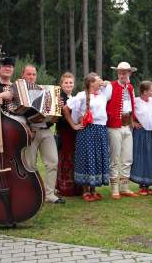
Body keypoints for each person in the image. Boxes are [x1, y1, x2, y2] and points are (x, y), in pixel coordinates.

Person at [63, 72, 110, 202]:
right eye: (97, 80)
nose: (100, 81)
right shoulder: (82, 96)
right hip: (87, 130)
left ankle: (94, 190)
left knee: (97, 158)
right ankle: (85, 190)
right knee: (87, 158)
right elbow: (66, 108)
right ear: (90, 83)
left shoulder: (103, 95)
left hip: (100, 129)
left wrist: (104, 82)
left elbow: (109, 85)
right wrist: (73, 125)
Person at [21, 65, 64, 204]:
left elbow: (53, 115)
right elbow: (17, 113)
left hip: (46, 130)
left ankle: (50, 195)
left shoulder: (44, 90)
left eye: (33, 74)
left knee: (53, 162)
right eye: (29, 74)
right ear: (23, 75)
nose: (31, 76)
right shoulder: (19, 92)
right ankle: (32, 194)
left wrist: (58, 105)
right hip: (29, 131)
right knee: (30, 164)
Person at [105, 62, 139, 199]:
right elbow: (103, 102)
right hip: (114, 126)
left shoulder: (130, 88)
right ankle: (114, 189)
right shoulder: (111, 86)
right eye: (120, 72)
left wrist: (132, 121)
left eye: (125, 72)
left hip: (127, 126)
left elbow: (132, 105)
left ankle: (124, 187)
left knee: (127, 157)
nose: (122, 74)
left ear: (129, 73)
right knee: (115, 157)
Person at [131, 81, 152, 195]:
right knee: (142, 158)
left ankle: (148, 184)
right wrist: (132, 122)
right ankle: (142, 185)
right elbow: (126, 112)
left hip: (151, 133)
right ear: (145, 91)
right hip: (140, 133)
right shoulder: (135, 101)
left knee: (151, 158)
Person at [55, 72, 82, 197]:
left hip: (74, 132)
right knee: (65, 158)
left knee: (74, 157)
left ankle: (76, 186)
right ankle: (65, 187)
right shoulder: (58, 98)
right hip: (64, 130)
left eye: (71, 82)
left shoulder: (74, 97)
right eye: (66, 82)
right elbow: (57, 117)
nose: (68, 85)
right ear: (61, 84)